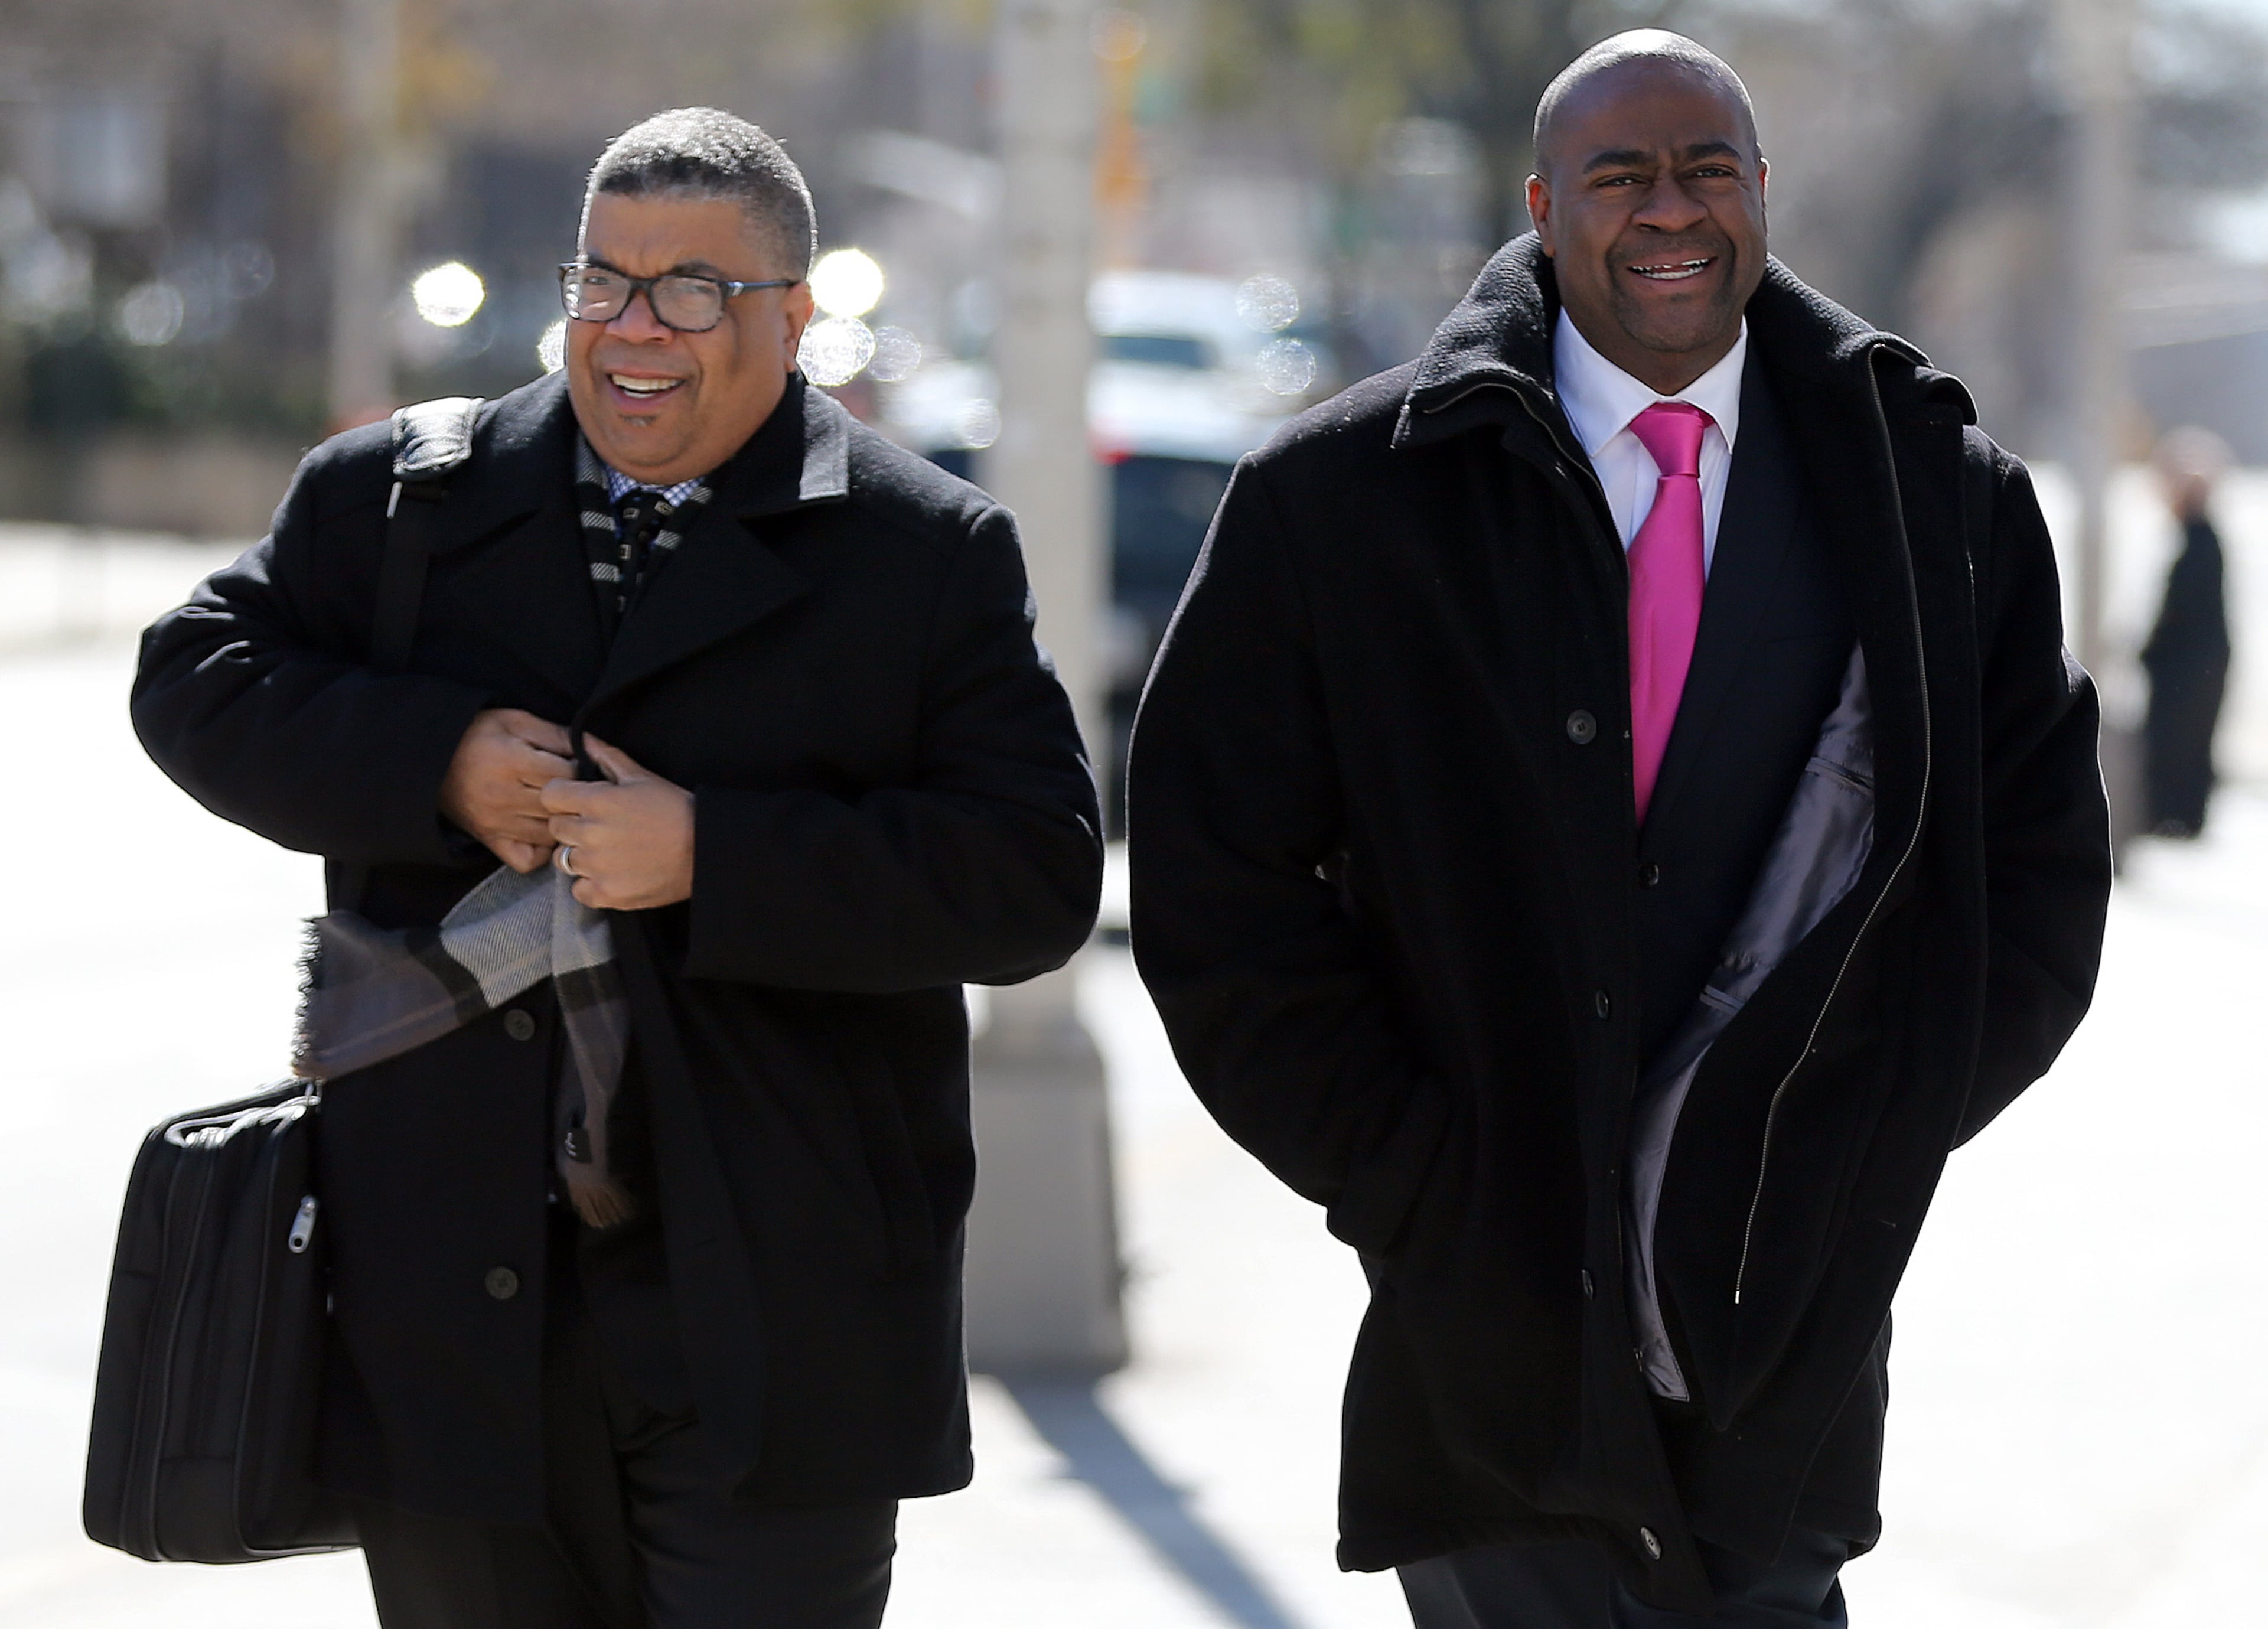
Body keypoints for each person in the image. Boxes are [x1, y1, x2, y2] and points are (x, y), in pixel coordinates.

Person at [1128, 31, 2110, 1628]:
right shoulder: (1344, 500)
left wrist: (1853, 1139)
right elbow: (1211, 880)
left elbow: (2043, 876)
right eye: (1621, 174)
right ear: (1540, 205)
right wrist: (1407, 1170)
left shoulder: (1937, 491)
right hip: (1482, 1322)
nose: (1672, 208)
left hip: (1781, 1333)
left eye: (1709, 166)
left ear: (1763, 193)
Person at [132, 108, 1102, 1629]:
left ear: (792, 316)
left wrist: (715, 856)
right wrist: (434, 761)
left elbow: (1035, 872)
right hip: (441, 1305)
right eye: (605, 281)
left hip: (777, 1317)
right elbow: (192, 678)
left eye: (693, 290)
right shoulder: (396, 501)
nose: (635, 327)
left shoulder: (926, 551)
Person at [2140, 425, 2233, 839]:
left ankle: (2179, 818)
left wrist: (2152, 651)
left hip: (2192, 668)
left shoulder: (2201, 541)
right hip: (2195, 664)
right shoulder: (2197, 538)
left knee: (2182, 744)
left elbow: (2184, 612)